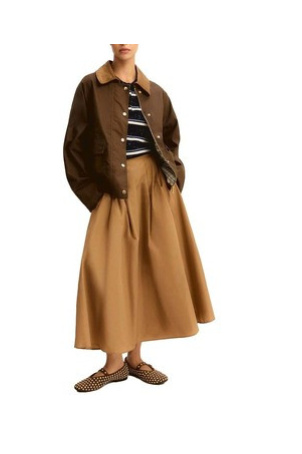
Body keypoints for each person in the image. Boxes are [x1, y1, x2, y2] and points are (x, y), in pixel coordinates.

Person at [63, 44, 215, 392]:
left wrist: (173, 180)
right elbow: (73, 145)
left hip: (156, 190)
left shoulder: (155, 92)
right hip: (112, 188)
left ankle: (134, 360)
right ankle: (112, 363)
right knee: (108, 271)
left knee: (145, 269)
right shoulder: (91, 86)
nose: (123, 41)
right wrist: (93, 195)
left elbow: (171, 138)